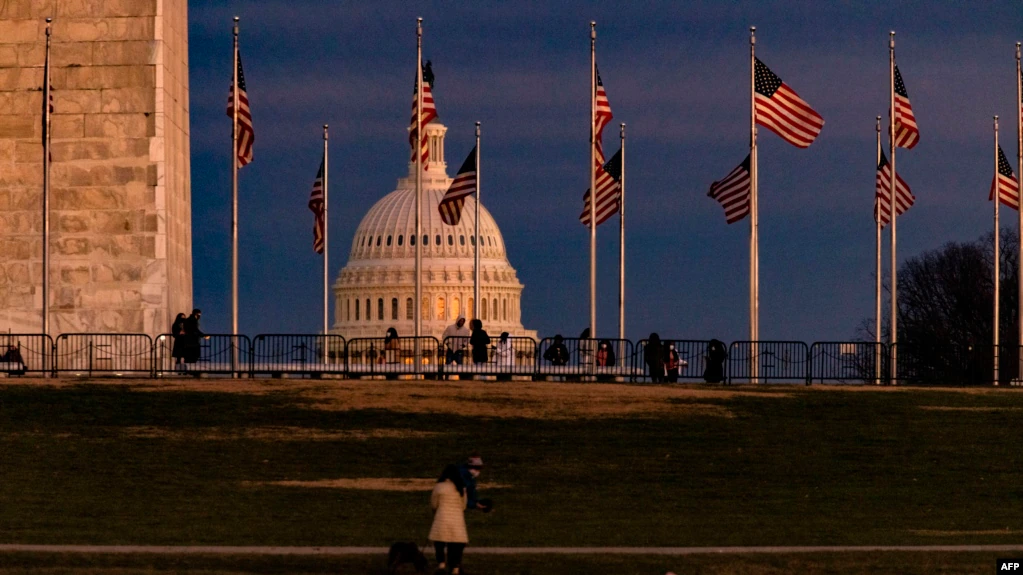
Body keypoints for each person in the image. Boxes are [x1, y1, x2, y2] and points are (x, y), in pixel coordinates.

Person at [429, 464, 469, 575]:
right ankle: (455, 568)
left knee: (439, 542)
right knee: (456, 545)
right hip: (457, 521)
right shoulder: (461, 488)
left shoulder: (439, 486)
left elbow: (434, 504)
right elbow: (463, 506)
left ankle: (441, 564)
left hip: (442, 519)